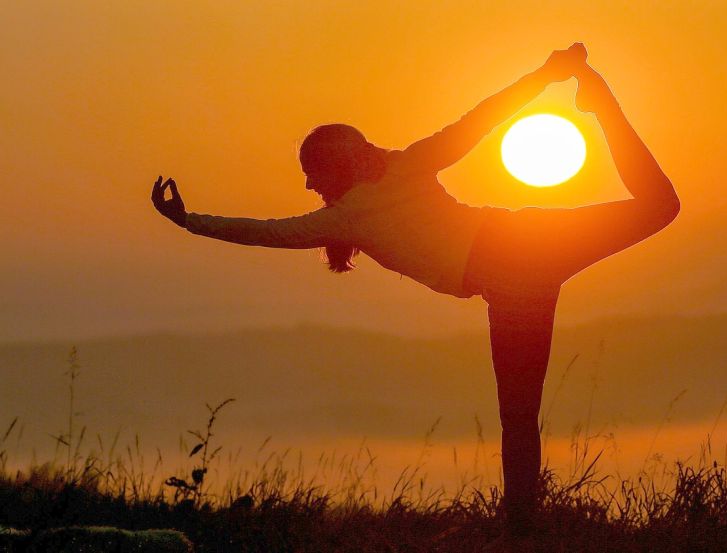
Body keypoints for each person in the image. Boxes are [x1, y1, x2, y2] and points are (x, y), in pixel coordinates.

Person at [152, 43, 679, 536]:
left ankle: (519, 525)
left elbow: (269, 232)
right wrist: (545, 75)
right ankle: (520, 525)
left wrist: (189, 222)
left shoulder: (361, 206)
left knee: (519, 411)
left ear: (343, 163)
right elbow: (480, 119)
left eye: (312, 172)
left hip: (517, 261)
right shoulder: (373, 193)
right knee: (520, 409)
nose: (310, 185)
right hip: (520, 256)